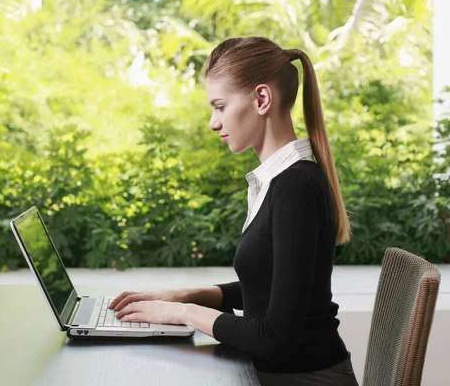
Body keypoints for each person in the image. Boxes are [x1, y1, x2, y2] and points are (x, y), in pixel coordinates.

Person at [108, 36, 359, 385]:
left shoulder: (295, 187)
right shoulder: (276, 181)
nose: (213, 122)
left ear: (261, 99)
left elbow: (274, 335)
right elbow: (272, 287)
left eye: (220, 106)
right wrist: (186, 296)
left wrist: (182, 313)